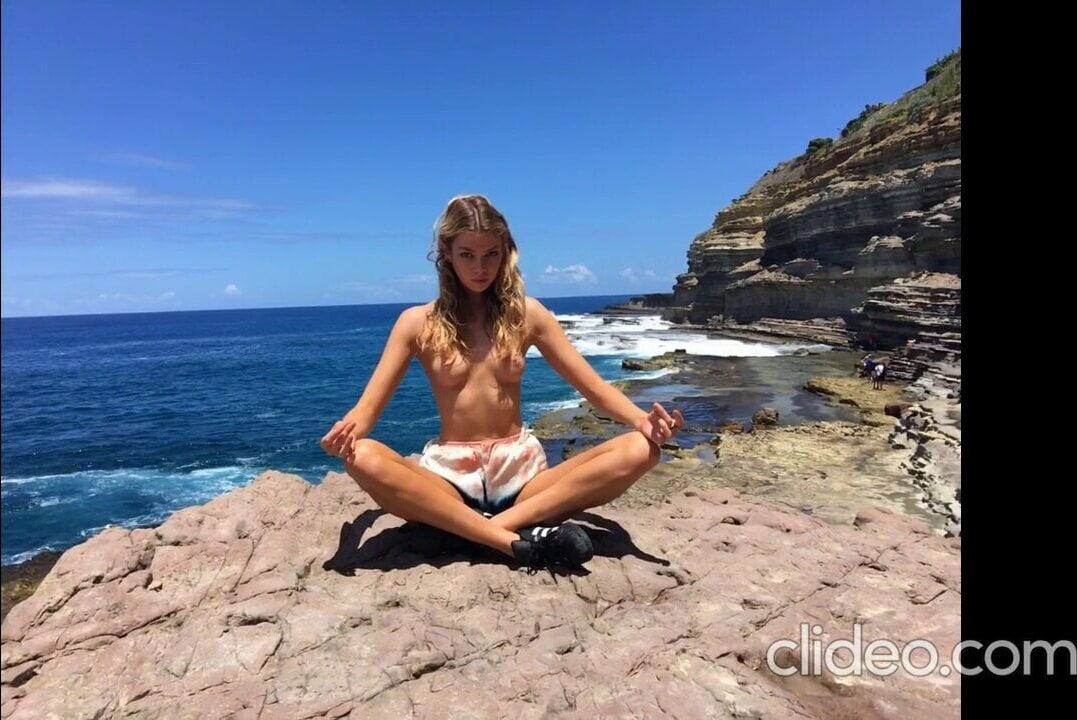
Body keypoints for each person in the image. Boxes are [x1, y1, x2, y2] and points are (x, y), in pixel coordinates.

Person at [320, 194, 684, 573]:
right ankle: (515, 542)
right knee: (362, 456)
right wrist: (345, 435)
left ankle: (470, 530)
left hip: (523, 478)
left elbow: (593, 387)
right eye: (467, 255)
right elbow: (367, 410)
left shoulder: (528, 315)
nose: (480, 268)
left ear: (505, 251)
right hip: (449, 479)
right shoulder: (416, 323)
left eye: (491, 254)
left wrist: (643, 421)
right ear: (446, 252)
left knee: (642, 450)